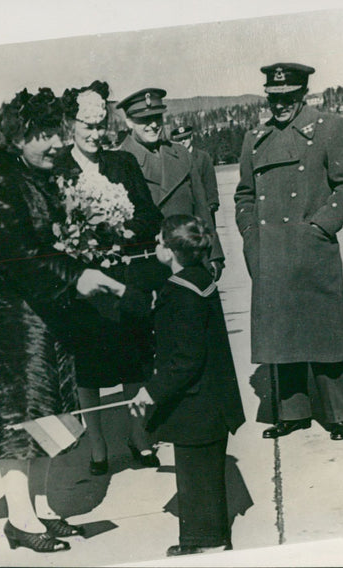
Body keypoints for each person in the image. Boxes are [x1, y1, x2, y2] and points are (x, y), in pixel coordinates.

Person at [0, 87, 126, 553]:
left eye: (56, 133)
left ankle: (39, 508)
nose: (54, 144)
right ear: (16, 138)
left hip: (46, 314)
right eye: (41, 135)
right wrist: (77, 274)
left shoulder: (46, 173)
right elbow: (17, 254)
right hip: (6, 324)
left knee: (49, 416)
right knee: (17, 420)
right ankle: (19, 520)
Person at [234, 63, 343, 441]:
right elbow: (243, 193)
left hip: (311, 250)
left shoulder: (330, 128)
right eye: (274, 98)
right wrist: (249, 232)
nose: (280, 105)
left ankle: (338, 414)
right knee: (281, 335)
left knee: (323, 332)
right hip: (270, 251)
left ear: (303, 95)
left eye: (288, 98)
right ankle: (292, 413)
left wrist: (321, 226)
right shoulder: (255, 138)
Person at [53, 80, 164, 474]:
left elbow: (151, 216)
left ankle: (138, 434)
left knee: (135, 360)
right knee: (89, 367)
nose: (96, 135)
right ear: (71, 126)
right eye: (88, 127)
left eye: (101, 127)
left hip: (126, 276)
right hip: (82, 285)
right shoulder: (57, 168)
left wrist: (125, 229)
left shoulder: (123, 164)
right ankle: (97, 442)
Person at [130, 214, 245, 557]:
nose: (154, 247)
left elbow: (186, 360)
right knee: (203, 472)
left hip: (196, 402)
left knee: (195, 475)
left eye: (158, 241)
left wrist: (151, 390)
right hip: (212, 399)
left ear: (170, 251)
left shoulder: (181, 293)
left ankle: (206, 541)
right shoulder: (200, 279)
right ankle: (209, 536)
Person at [116, 88, 225, 280]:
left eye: (157, 117)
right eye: (143, 119)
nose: (153, 125)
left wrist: (214, 255)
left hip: (189, 260)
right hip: (146, 266)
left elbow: (202, 210)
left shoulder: (181, 155)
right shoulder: (118, 161)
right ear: (129, 121)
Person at [170, 125, 220, 219]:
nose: (183, 141)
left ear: (191, 137)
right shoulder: (172, 159)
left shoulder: (203, 157)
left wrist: (212, 204)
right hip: (183, 210)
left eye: (186, 138)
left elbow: (210, 182)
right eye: (179, 139)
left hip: (203, 208)